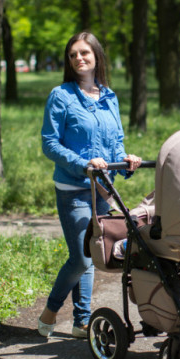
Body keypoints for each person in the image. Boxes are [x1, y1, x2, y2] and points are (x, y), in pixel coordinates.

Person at [38, 32, 142, 339]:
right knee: (81, 257)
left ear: (96, 56)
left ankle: (81, 321)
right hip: (73, 188)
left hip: (102, 189)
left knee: (96, 253)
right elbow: (49, 142)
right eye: (73, 55)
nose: (79, 58)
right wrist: (83, 164)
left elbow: (116, 141)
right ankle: (51, 310)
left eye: (84, 52)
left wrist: (125, 159)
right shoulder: (62, 95)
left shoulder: (109, 96)